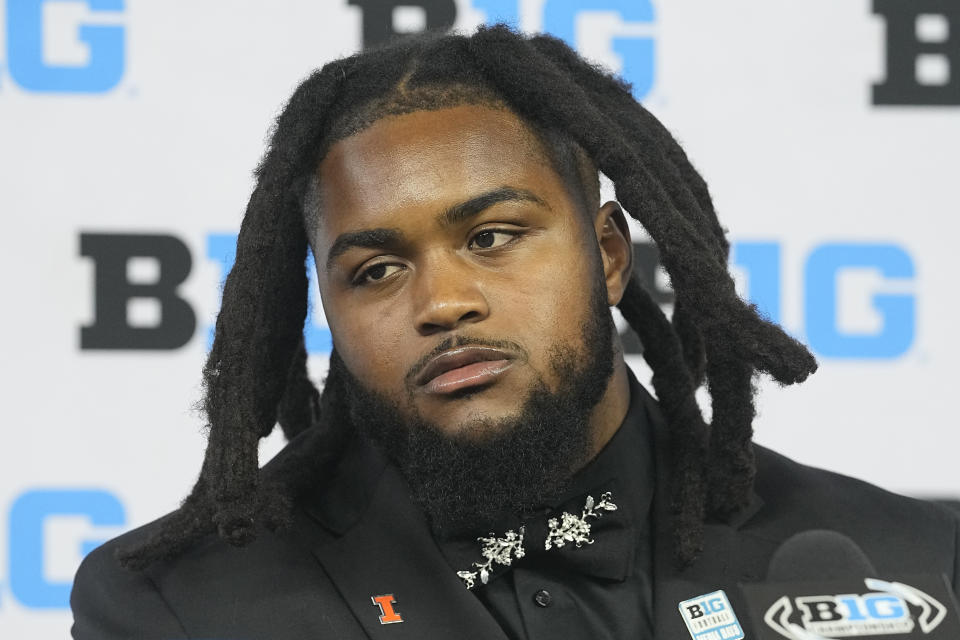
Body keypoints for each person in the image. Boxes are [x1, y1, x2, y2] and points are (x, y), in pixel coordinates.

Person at [70, 25, 959, 639]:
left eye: (492, 237)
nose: (443, 302)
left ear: (609, 255)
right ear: (325, 309)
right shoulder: (177, 610)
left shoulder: (908, 561)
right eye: (376, 270)